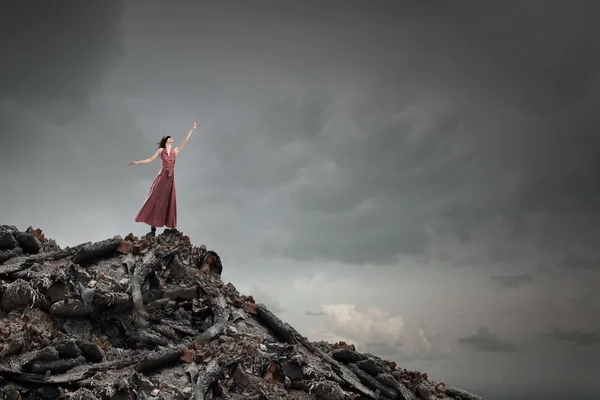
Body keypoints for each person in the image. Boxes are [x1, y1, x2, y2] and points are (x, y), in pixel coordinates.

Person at [129, 120, 199, 237]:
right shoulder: (160, 151)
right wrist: (137, 162)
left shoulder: (175, 151)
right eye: (169, 137)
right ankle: (152, 228)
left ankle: (170, 225)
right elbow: (150, 159)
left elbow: (185, 141)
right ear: (166, 140)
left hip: (170, 180)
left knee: (169, 201)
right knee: (155, 199)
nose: (172, 138)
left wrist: (192, 129)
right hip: (161, 178)